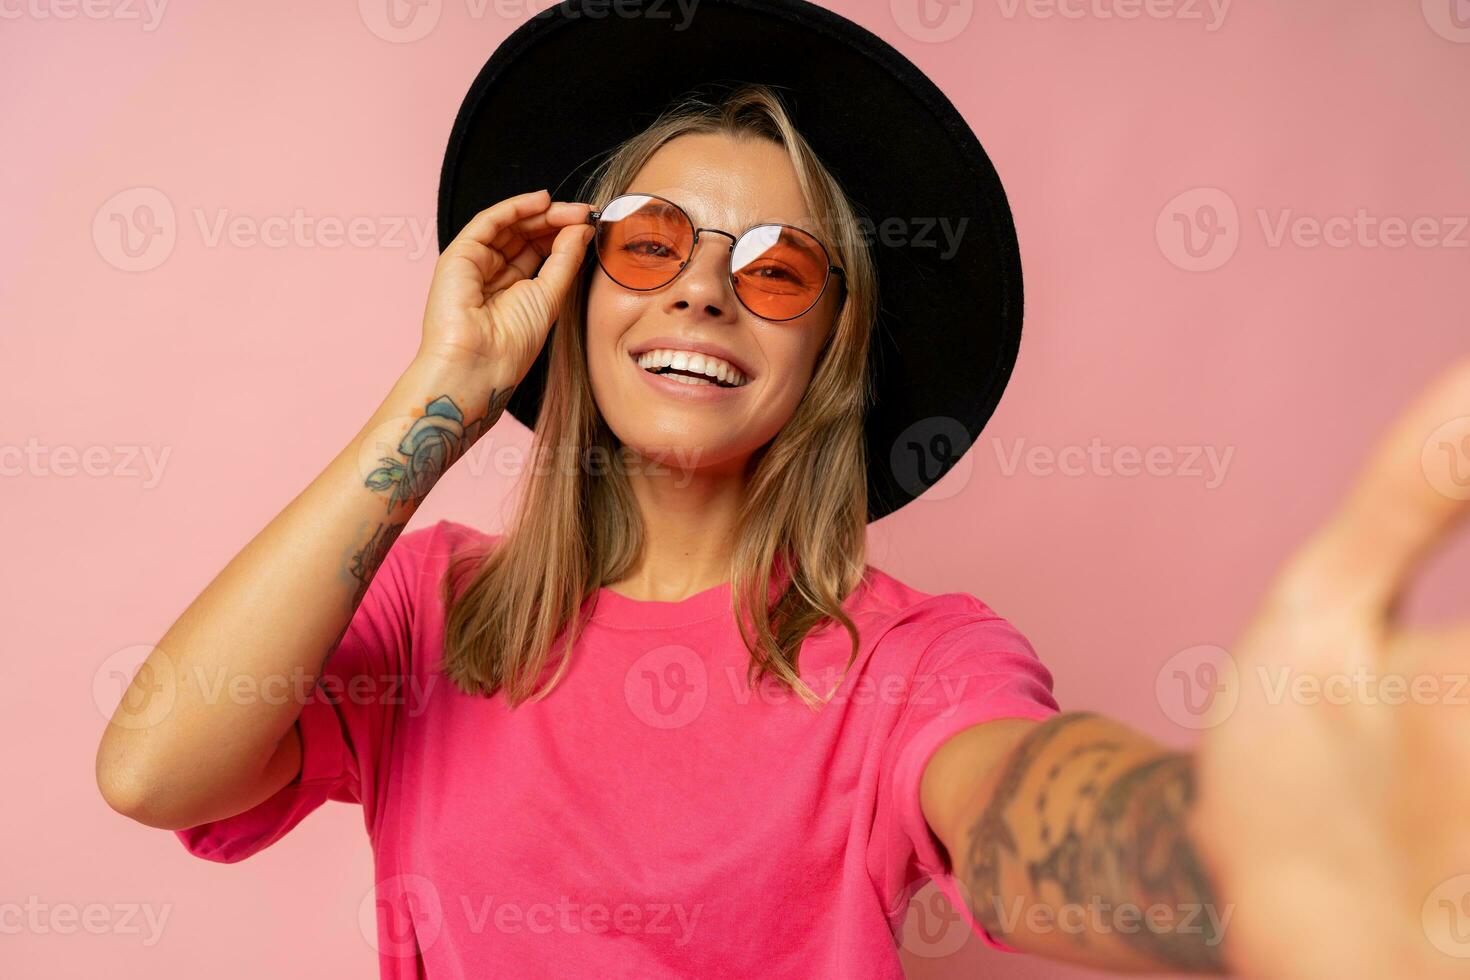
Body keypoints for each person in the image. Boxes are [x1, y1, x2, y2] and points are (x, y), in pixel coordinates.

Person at [95, 2, 1469, 978]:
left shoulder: (913, 663)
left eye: (773, 269)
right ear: (568, 297)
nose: (702, 282)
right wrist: (438, 397)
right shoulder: (429, 607)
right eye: (650, 244)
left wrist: (1238, 851)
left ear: (824, 354)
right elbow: (156, 768)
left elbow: (1015, 811)